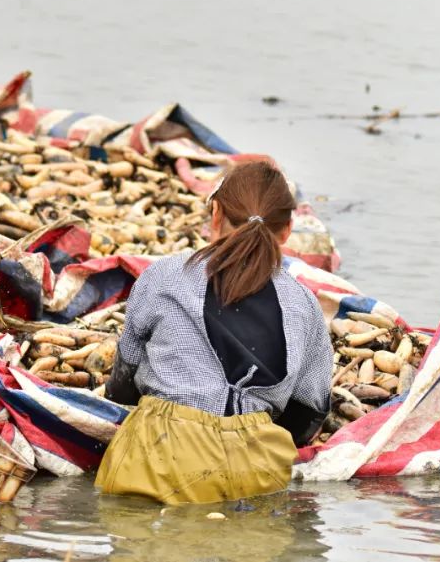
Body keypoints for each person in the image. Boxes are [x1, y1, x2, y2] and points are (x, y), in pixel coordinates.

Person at [96, 161, 333, 505]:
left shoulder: (166, 275)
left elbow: (122, 380)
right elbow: (310, 409)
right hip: (256, 465)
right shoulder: (304, 304)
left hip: (161, 451)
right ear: (286, 231)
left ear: (216, 214)